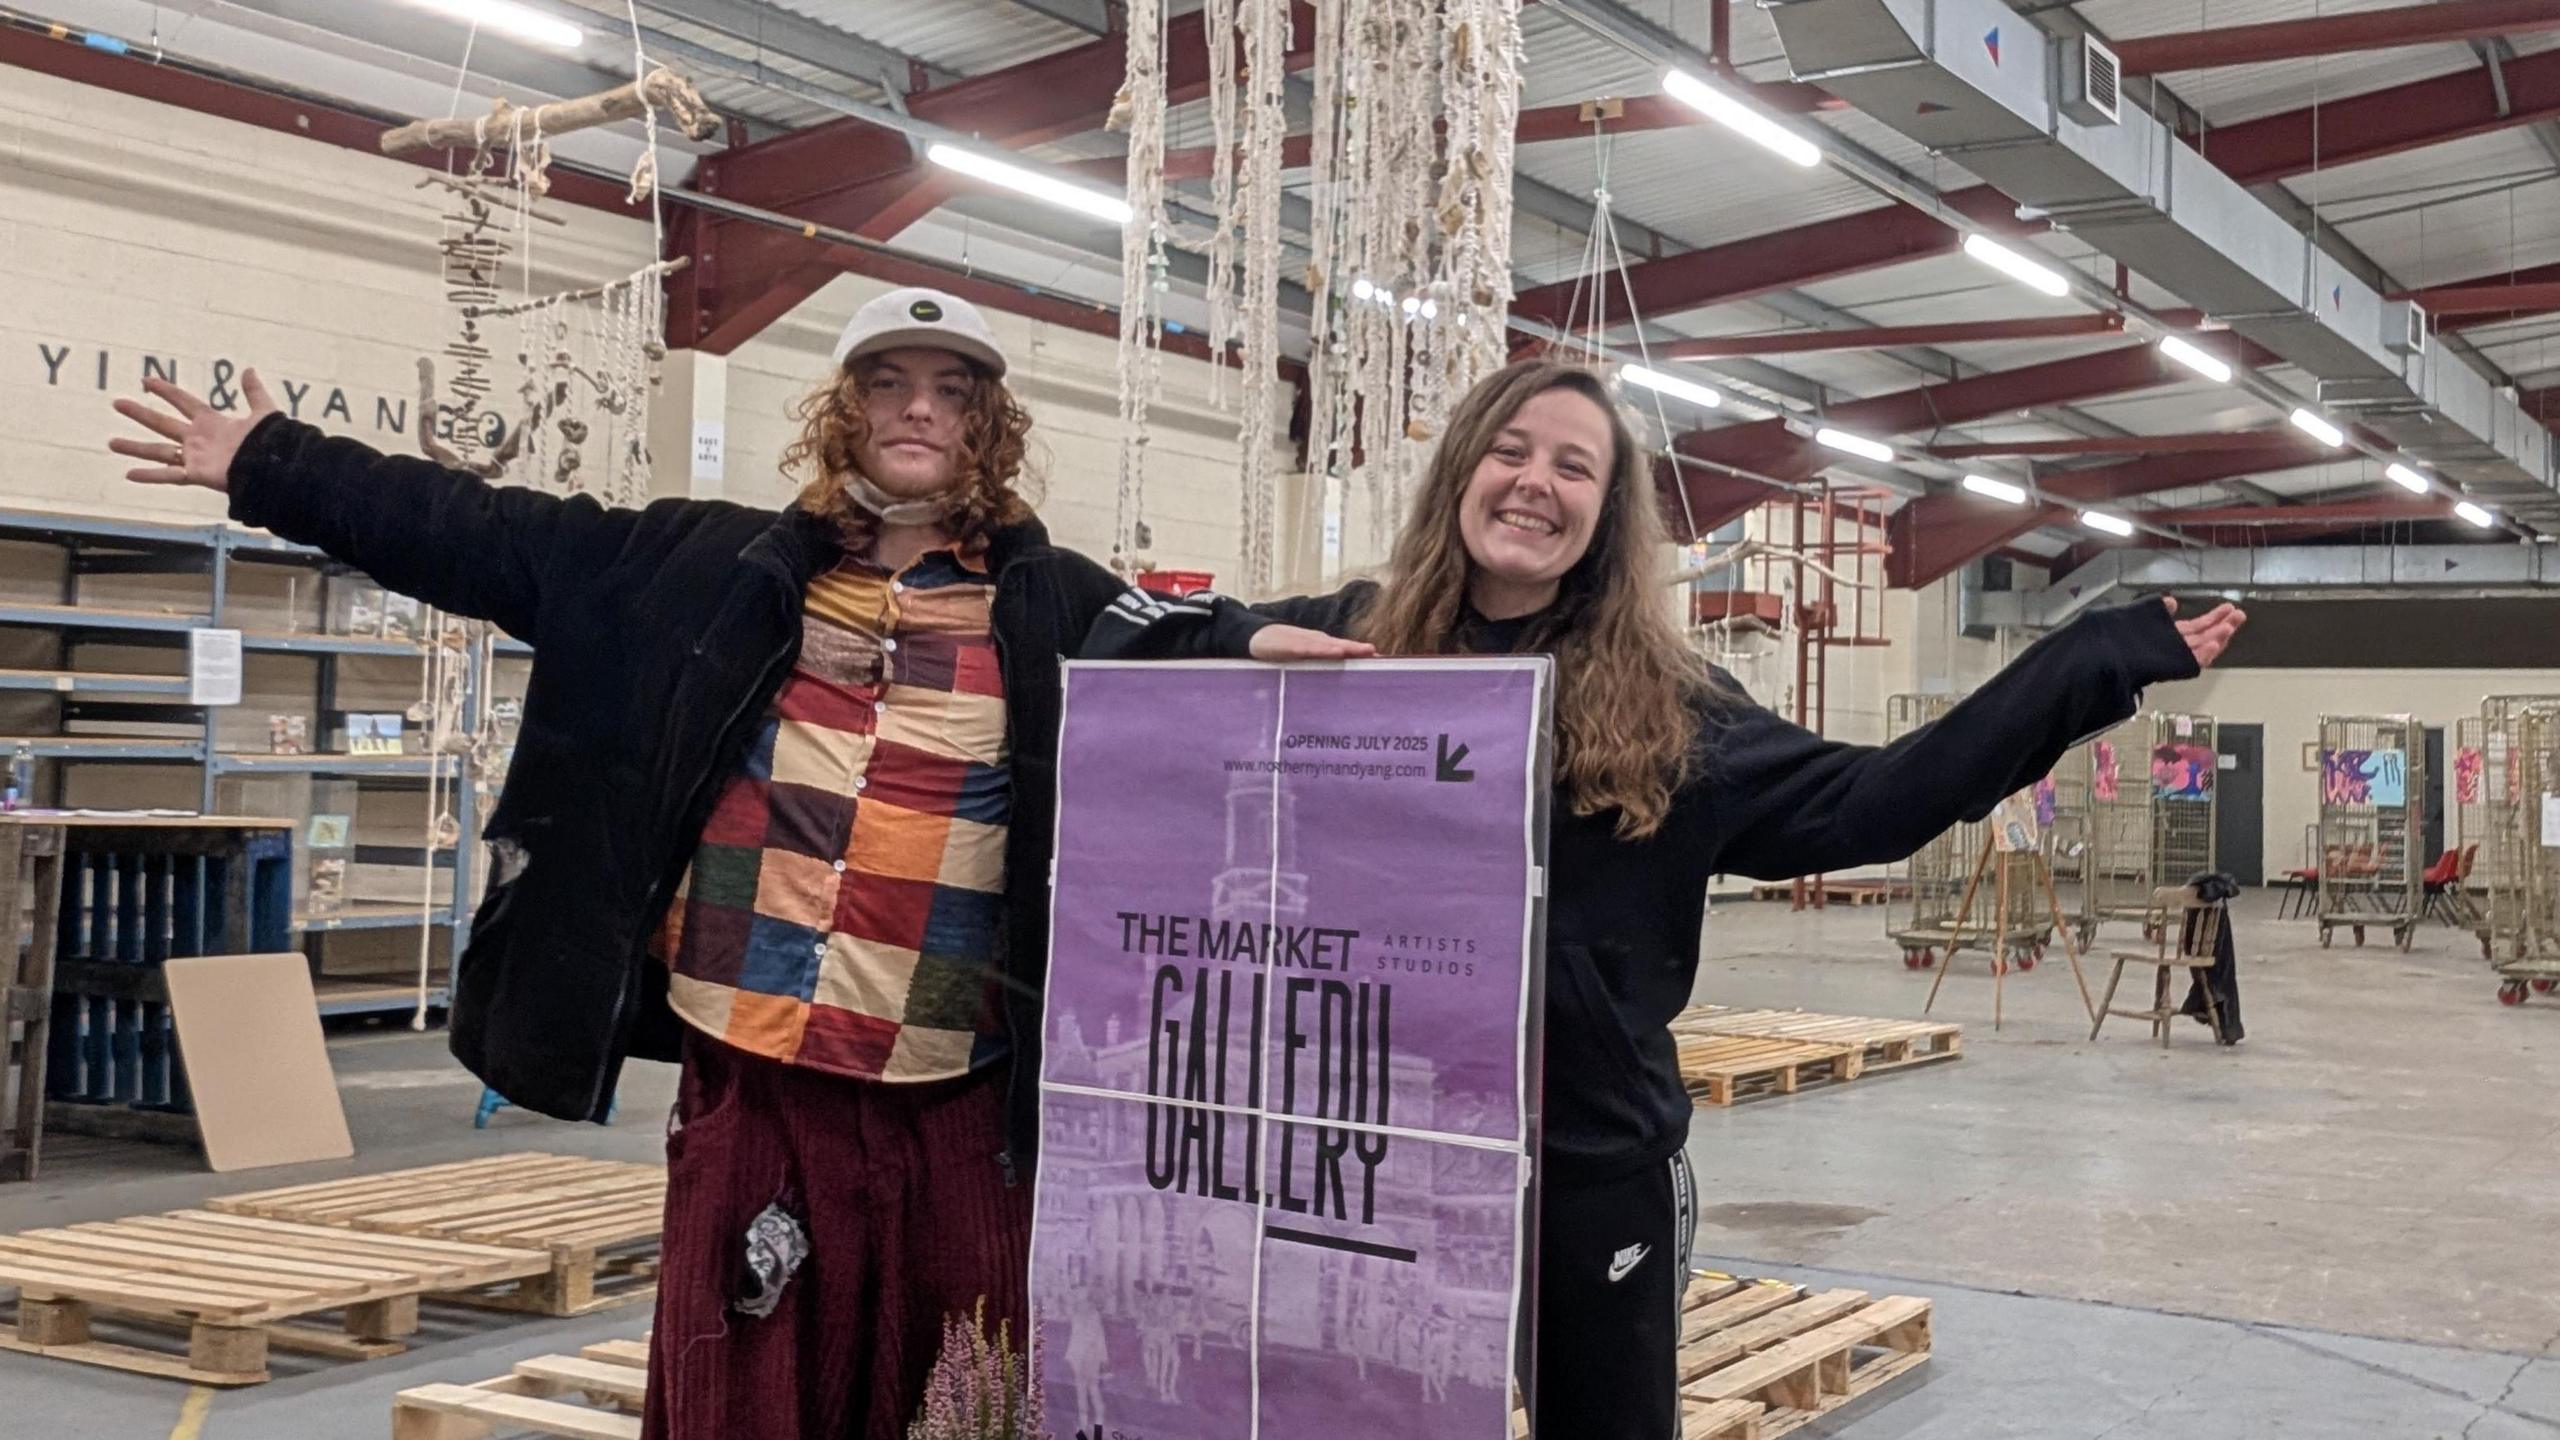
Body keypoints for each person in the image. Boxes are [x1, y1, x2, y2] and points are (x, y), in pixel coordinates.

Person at [106, 284, 1361, 1440]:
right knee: (738, 1381)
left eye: (953, 390)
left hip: (957, 1081)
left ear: (989, 426)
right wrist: (272, 463)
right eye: (887, 381)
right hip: (751, 1060)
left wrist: (1307, 637)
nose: (918, 407)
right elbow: (483, 532)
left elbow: (1207, 636)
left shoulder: (1059, 604)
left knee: (966, 1389)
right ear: (842, 411)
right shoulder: (703, 569)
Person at [1087, 357, 2245, 1435]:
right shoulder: (1347, 645)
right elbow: (1115, 643)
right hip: (1365, 1154)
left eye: (1572, 466)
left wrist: (2091, 657)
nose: (1534, 482)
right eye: (1510, 451)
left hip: (1585, 1167)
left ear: (1604, 514)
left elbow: (1877, 801)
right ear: (1459, 475)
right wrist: (1242, 635)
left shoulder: (1673, 706)